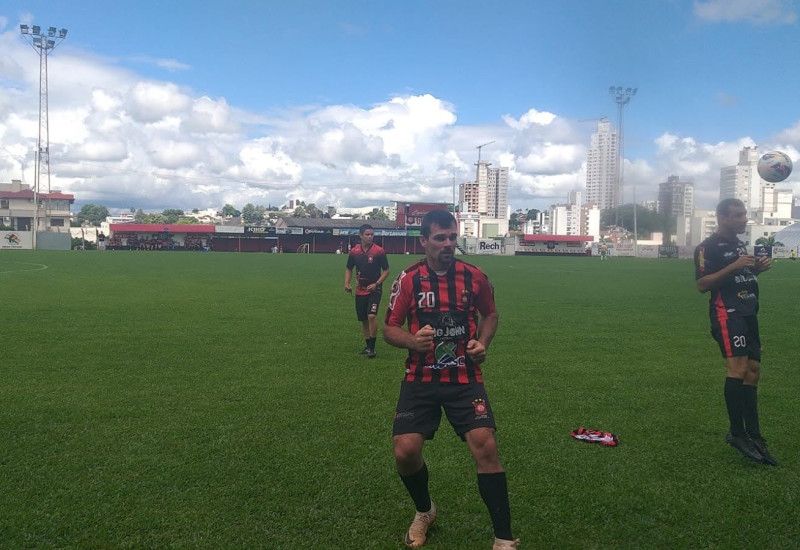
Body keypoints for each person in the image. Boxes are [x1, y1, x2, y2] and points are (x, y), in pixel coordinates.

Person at [383, 209, 518, 549]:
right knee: (405, 452)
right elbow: (388, 328)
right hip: (421, 377)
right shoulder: (409, 279)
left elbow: (490, 314)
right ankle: (425, 511)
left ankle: (503, 539)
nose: (448, 244)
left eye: (452, 237)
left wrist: (482, 343)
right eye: (440, 238)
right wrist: (412, 341)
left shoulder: (474, 276)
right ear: (424, 240)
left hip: (464, 377)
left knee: (486, 445)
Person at [694, 198, 777, 466]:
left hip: (749, 314)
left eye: (744, 215)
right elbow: (702, 284)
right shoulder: (707, 248)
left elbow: (740, 276)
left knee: (753, 372)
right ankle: (737, 433)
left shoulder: (740, 246)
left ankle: (754, 434)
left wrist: (755, 270)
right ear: (722, 218)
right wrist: (736, 265)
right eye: (738, 215)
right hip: (727, 314)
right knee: (738, 369)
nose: (743, 219)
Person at [344, 224, 390, 358]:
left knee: (371, 316)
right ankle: (367, 345)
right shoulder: (354, 252)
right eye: (367, 234)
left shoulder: (379, 251)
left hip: (375, 289)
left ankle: (372, 348)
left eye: (372, 234)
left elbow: (386, 270)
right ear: (361, 236)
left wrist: (377, 284)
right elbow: (349, 268)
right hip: (360, 290)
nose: (370, 237)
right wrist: (347, 283)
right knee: (363, 319)